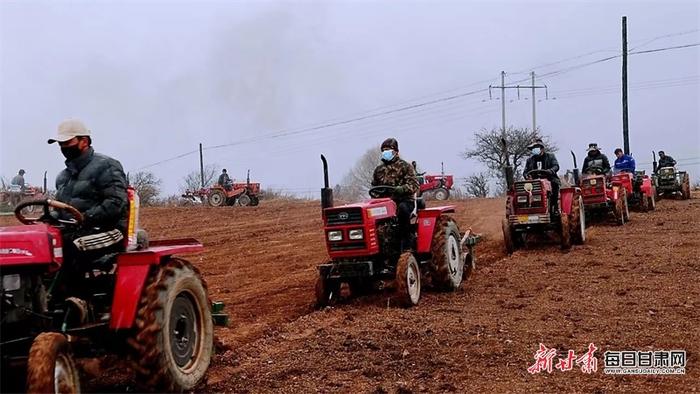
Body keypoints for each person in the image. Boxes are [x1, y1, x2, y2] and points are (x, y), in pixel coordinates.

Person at [48, 118, 128, 274]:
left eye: (67, 142)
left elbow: (116, 203)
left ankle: (73, 296)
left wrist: (85, 217)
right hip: (74, 229)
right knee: (40, 243)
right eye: (60, 144)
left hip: (107, 230)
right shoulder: (63, 176)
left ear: (83, 141)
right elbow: (60, 206)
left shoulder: (107, 166)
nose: (63, 147)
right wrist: (49, 217)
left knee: (68, 246)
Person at [371, 138, 420, 251]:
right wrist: (376, 196)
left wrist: (401, 189)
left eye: (388, 150)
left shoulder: (405, 166)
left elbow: (414, 185)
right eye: (383, 150)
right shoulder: (379, 170)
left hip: (404, 200)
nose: (385, 152)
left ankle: (407, 242)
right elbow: (374, 188)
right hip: (384, 202)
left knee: (402, 209)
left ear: (396, 152)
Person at [523, 139, 561, 213]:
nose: (534, 150)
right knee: (525, 189)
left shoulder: (550, 156)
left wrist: (551, 171)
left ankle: (554, 206)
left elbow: (556, 166)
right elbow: (525, 172)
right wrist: (527, 176)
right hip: (534, 181)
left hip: (549, 179)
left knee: (555, 185)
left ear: (542, 148)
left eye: (536, 148)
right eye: (533, 149)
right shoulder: (530, 160)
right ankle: (527, 207)